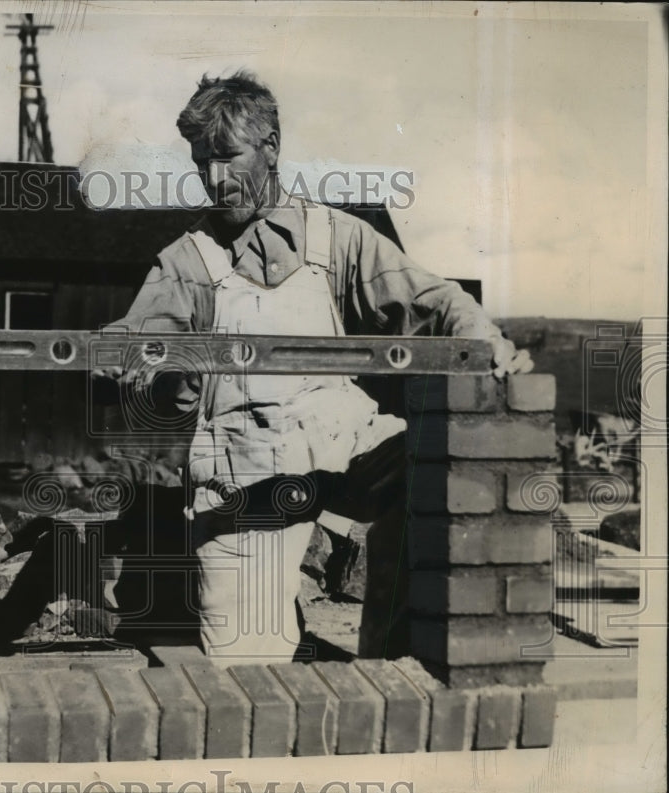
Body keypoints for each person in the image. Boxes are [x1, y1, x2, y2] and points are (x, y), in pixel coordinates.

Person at [90, 70, 533, 666]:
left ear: (271, 146)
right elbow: (138, 356)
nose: (214, 179)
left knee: (436, 473)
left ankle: (394, 666)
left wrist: (485, 342)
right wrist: (151, 372)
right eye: (200, 163)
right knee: (248, 674)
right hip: (245, 471)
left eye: (227, 157)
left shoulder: (338, 238)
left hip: (346, 444)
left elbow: (433, 302)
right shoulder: (185, 263)